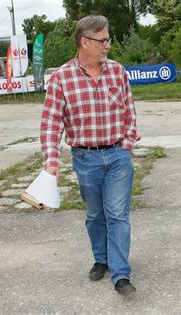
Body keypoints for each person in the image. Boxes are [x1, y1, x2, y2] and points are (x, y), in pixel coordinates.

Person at [40, 15, 139, 295]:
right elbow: (51, 123)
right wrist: (51, 160)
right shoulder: (61, 78)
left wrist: (127, 144)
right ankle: (101, 259)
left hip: (118, 156)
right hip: (85, 158)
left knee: (118, 215)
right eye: (102, 40)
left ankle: (121, 274)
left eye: (108, 39)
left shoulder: (117, 72)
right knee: (96, 214)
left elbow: (129, 111)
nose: (108, 44)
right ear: (85, 42)